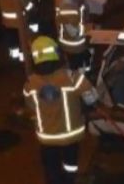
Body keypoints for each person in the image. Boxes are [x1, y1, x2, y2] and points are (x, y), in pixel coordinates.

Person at [23, 36, 99, 184]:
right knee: (70, 166)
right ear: (56, 54)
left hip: (46, 138)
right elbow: (92, 98)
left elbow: (31, 106)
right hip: (70, 136)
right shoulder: (72, 77)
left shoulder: (30, 83)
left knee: (51, 169)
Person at [54, 0, 94, 71]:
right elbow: (74, 32)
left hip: (72, 42)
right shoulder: (68, 6)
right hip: (74, 46)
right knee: (80, 70)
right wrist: (90, 28)